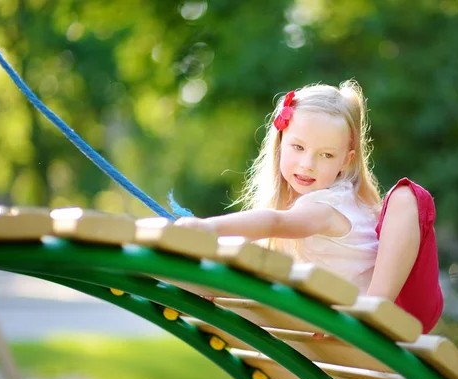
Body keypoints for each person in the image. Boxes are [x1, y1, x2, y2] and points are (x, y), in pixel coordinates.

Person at [174, 80, 443, 333]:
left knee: (406, 196)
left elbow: (275, 222)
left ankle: (372, 311)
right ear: (280, 145)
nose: (308, 164)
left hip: (397, 310)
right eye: (298, 147)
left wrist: (208, 227)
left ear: (346, 161)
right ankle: (366, 317)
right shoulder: (298, 214)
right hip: (337, 328)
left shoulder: (325, 205)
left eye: (326, 155)